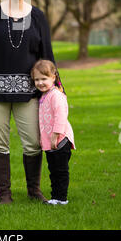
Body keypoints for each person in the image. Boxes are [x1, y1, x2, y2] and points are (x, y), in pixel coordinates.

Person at [0, 0, 60, 204]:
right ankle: (4, 193)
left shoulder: (37, 16)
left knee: (33, 142)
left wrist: (58, 87)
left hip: (29, 90)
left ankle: (33, 190)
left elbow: (47, 54)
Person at [31, 59, 75, 205]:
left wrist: (55, 135)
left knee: (60, 171)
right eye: (37, 79)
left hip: (60, 141)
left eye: (44, 79)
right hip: (51, 143)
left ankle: (61, 198)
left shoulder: (56, 95)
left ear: (53, 77)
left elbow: (60, 116)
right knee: (54, 171)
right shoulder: (44, 95)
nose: (40, 82)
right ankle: (55, 197)